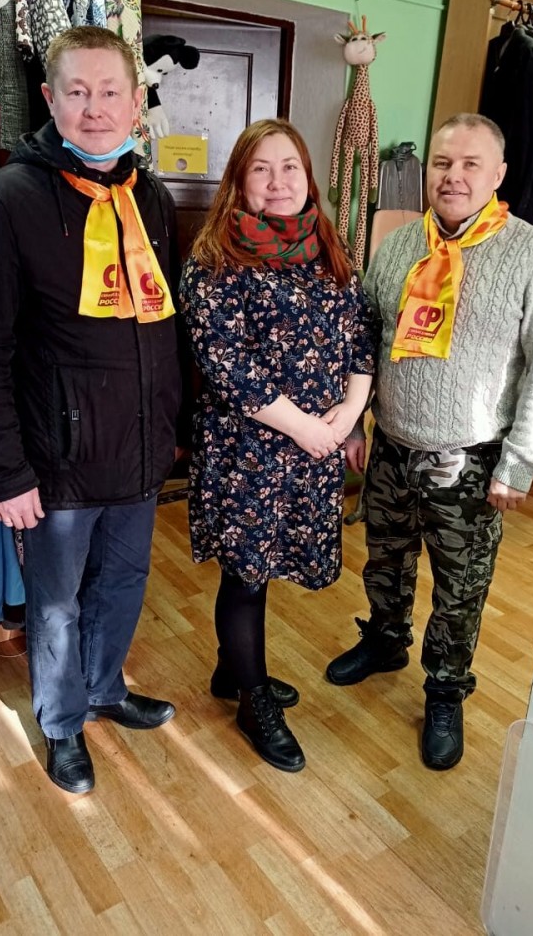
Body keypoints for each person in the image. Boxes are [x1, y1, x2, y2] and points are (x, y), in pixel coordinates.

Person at [0, 27, 183, 795]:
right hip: (56, 462)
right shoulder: (8, 201)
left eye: (110, 92)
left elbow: (166, 327)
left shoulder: (151, 198)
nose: (95, 109)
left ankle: (106, 687)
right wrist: (5, 472)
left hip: (140, 452)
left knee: (122, 584)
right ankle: (61, 723)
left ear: (136, 102)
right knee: (54, 608)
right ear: (49, 99)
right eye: (77, 92)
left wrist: (172, 431)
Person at [326, 113, 533, 771]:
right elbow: (366, 343)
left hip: (472, 458)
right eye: (442, 163)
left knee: (459, 586)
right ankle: (385, 640)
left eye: (471, 164)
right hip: (391, 445)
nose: (453, 176)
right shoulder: (397, 246)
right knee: (385, 560)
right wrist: (355, 423)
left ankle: (444, 689)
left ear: (498, 175)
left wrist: (519, 462)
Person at [179, 119, 376, 773]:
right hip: (248, 453)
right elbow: (228, 366)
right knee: (247, 573)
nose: (278, 181)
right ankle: (252, 698)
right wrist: (309, 428)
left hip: (314, 447)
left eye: (289, 166)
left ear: (308, 176)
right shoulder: (213, 261)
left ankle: (231, 670)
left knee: (264, 566)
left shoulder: (327, 246)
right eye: (260, 168)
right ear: (239, 181)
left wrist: (350, 411)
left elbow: (362, 331)